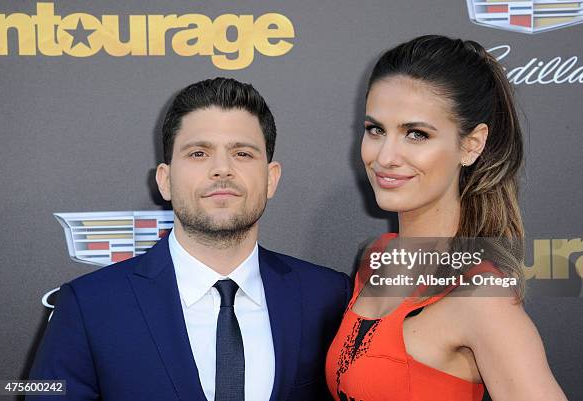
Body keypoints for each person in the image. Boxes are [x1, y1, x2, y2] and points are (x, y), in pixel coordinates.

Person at [29, 77, 351, 401]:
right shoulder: (90, 307)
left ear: (271, 178)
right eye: (198, 153)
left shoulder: (327, 296)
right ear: (165, 181)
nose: (222, 169)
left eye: (242, 153)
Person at [325, 36, 568, 401]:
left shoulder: (482, 300)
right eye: (376, 129)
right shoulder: (378, 257)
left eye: (416, 134)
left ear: (471, 145)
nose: (386, 156)